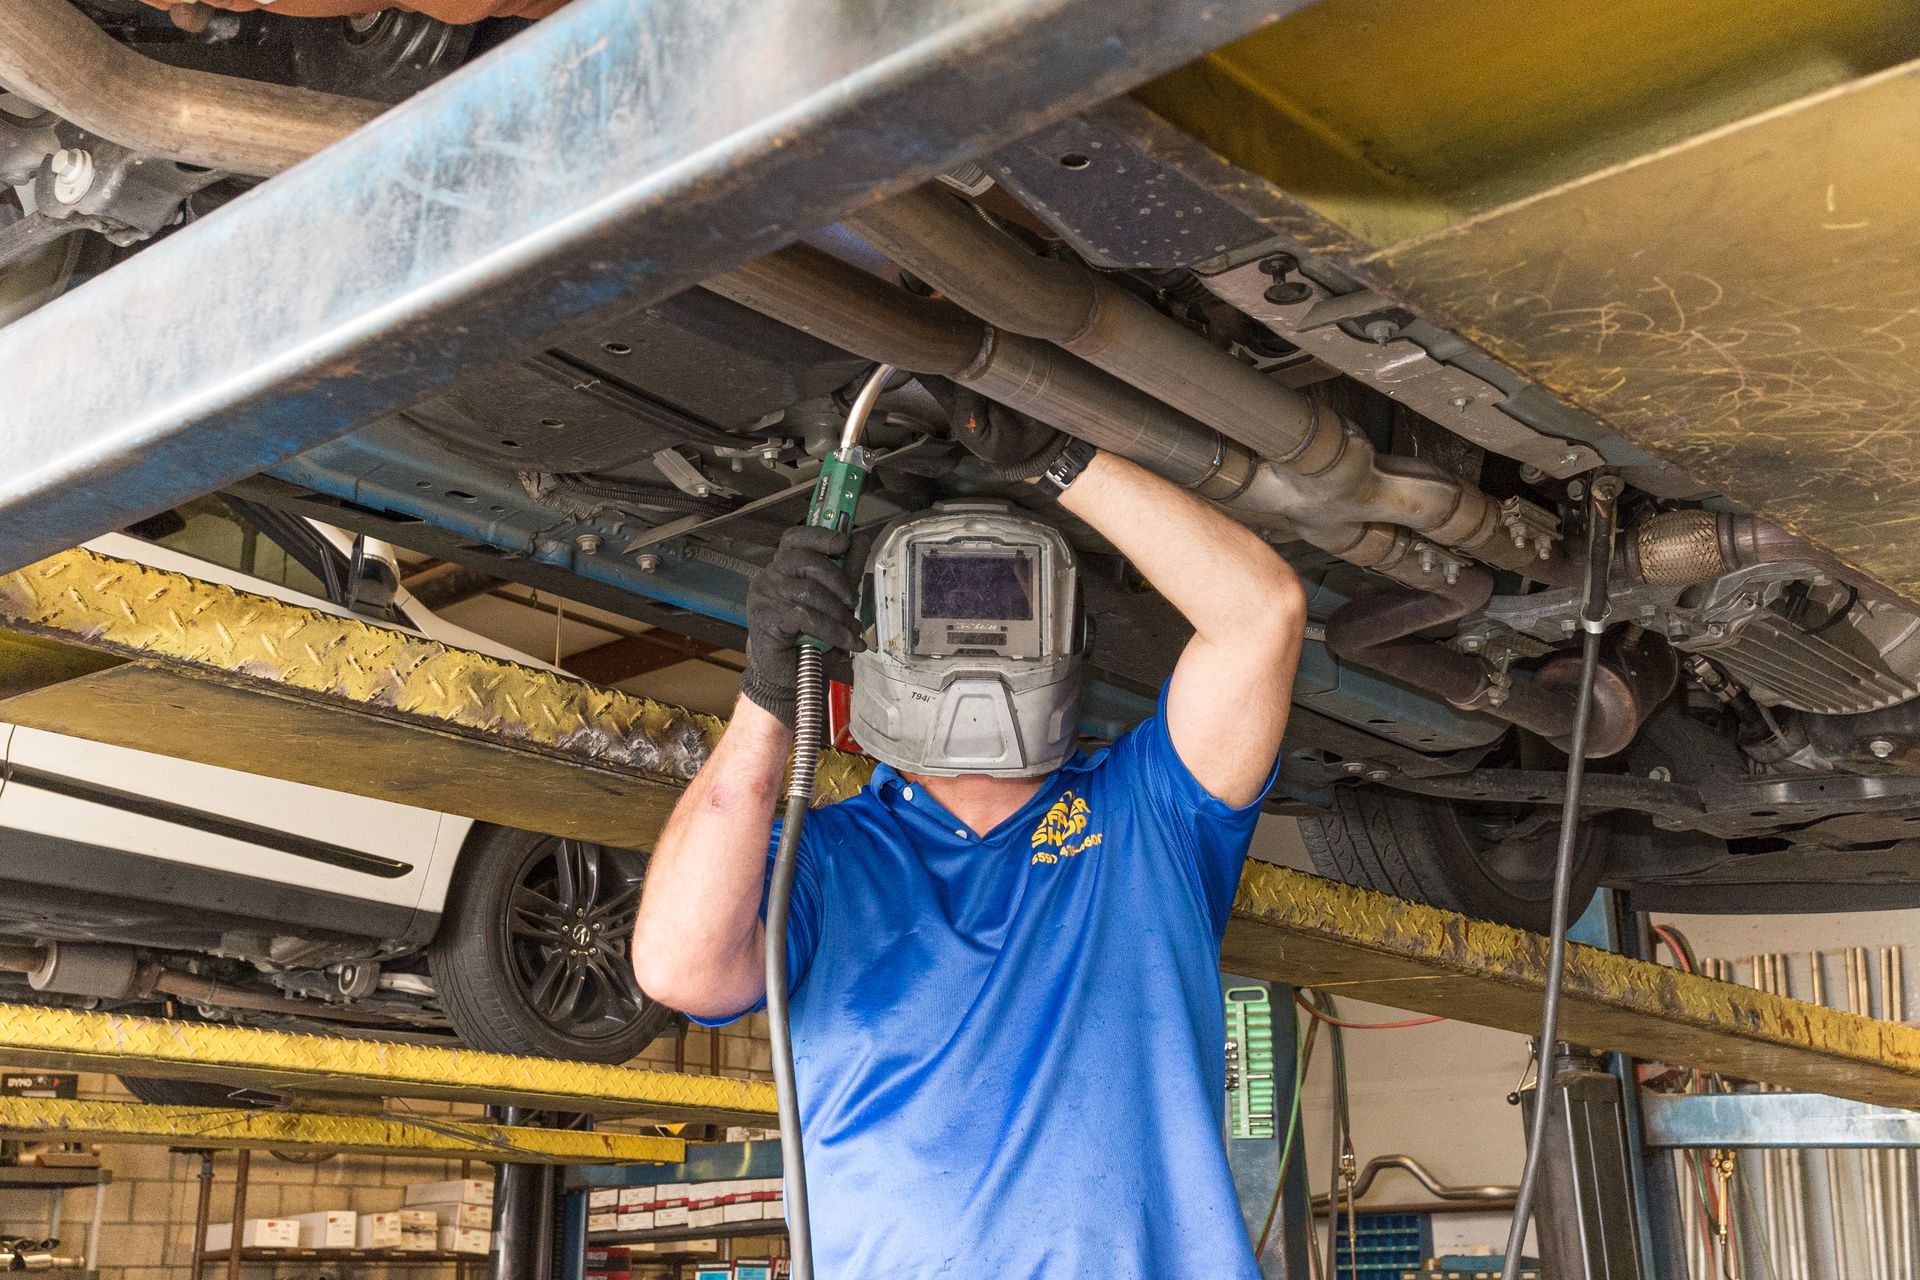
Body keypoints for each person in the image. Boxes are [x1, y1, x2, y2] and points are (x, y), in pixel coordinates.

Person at [633, 393, 1306, 1278]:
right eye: (944, 613)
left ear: (1070, 637)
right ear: (870, 640)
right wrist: (766, 693)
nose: (978, 643)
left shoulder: (1150, 815)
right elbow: (679, 968)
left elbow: (1262, 612)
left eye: (1012, 609)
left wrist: (1065, 452)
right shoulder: (822, 861)